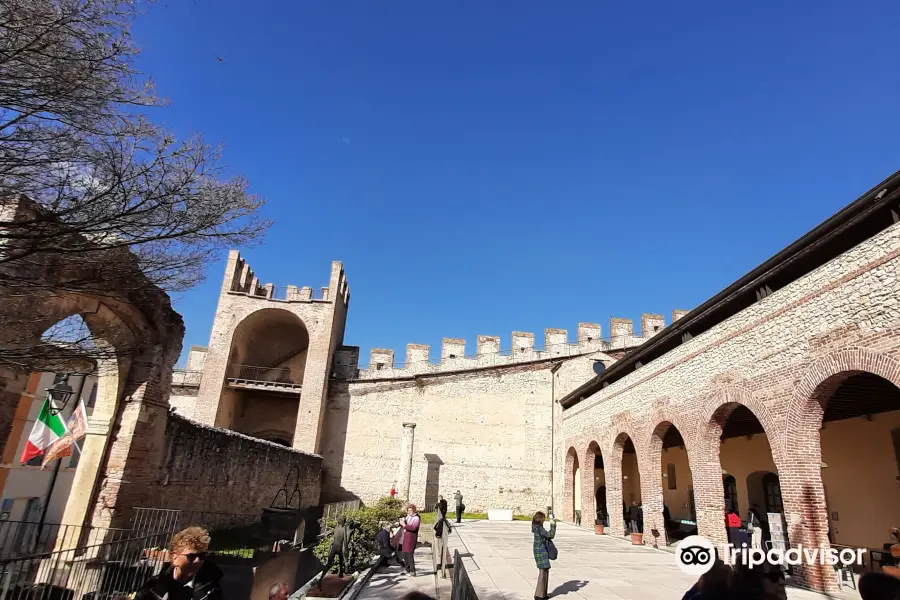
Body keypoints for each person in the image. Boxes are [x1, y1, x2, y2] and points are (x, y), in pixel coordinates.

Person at [135, 527, 223, 600]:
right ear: (174, 558)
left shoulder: (211, 589)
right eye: (191, 557)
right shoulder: (152, 588)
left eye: (202, 556)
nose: (198, 561)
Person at [319, 516, 352, 587]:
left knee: (328, 564)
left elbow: (333, 539)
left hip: (334, 547)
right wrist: (346, 551)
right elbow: (345, 542)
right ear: (344, 522)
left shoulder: (336, 529)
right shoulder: (344, 530)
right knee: (341, 561)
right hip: (339, 548)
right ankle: (341, 574)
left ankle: (321, 578)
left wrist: (329, 549)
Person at [531, 511, 556, 600]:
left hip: (539, 551)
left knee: (545, 572)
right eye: (543, 519)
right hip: (541, 552)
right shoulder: (539, 529)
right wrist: (553, 523)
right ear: (541, 519)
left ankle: (543, 594)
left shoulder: (536, 527)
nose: (544, 520)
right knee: (543, 573)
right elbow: (550, 535)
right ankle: (538, 595)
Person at [399, 504, 421, 576]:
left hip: (411, 537)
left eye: (411, 510)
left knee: (409, 554)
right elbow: (405, 523)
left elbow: (413, 528)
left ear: (414, 510)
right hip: (406, 536)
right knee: (405, 554)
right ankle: (407, 569)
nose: (409, 512)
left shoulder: (416, 518)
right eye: (408, 510)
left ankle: (412, 570)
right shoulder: (408, 517)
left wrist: (404, 525)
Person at [433, 508, 452, 579]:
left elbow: (435, 527)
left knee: (442, 551)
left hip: (442, 536)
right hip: (443, 536)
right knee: (442, 551)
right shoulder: (444, 520)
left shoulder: (441, 520)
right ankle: (442, 569)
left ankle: (442, 570)